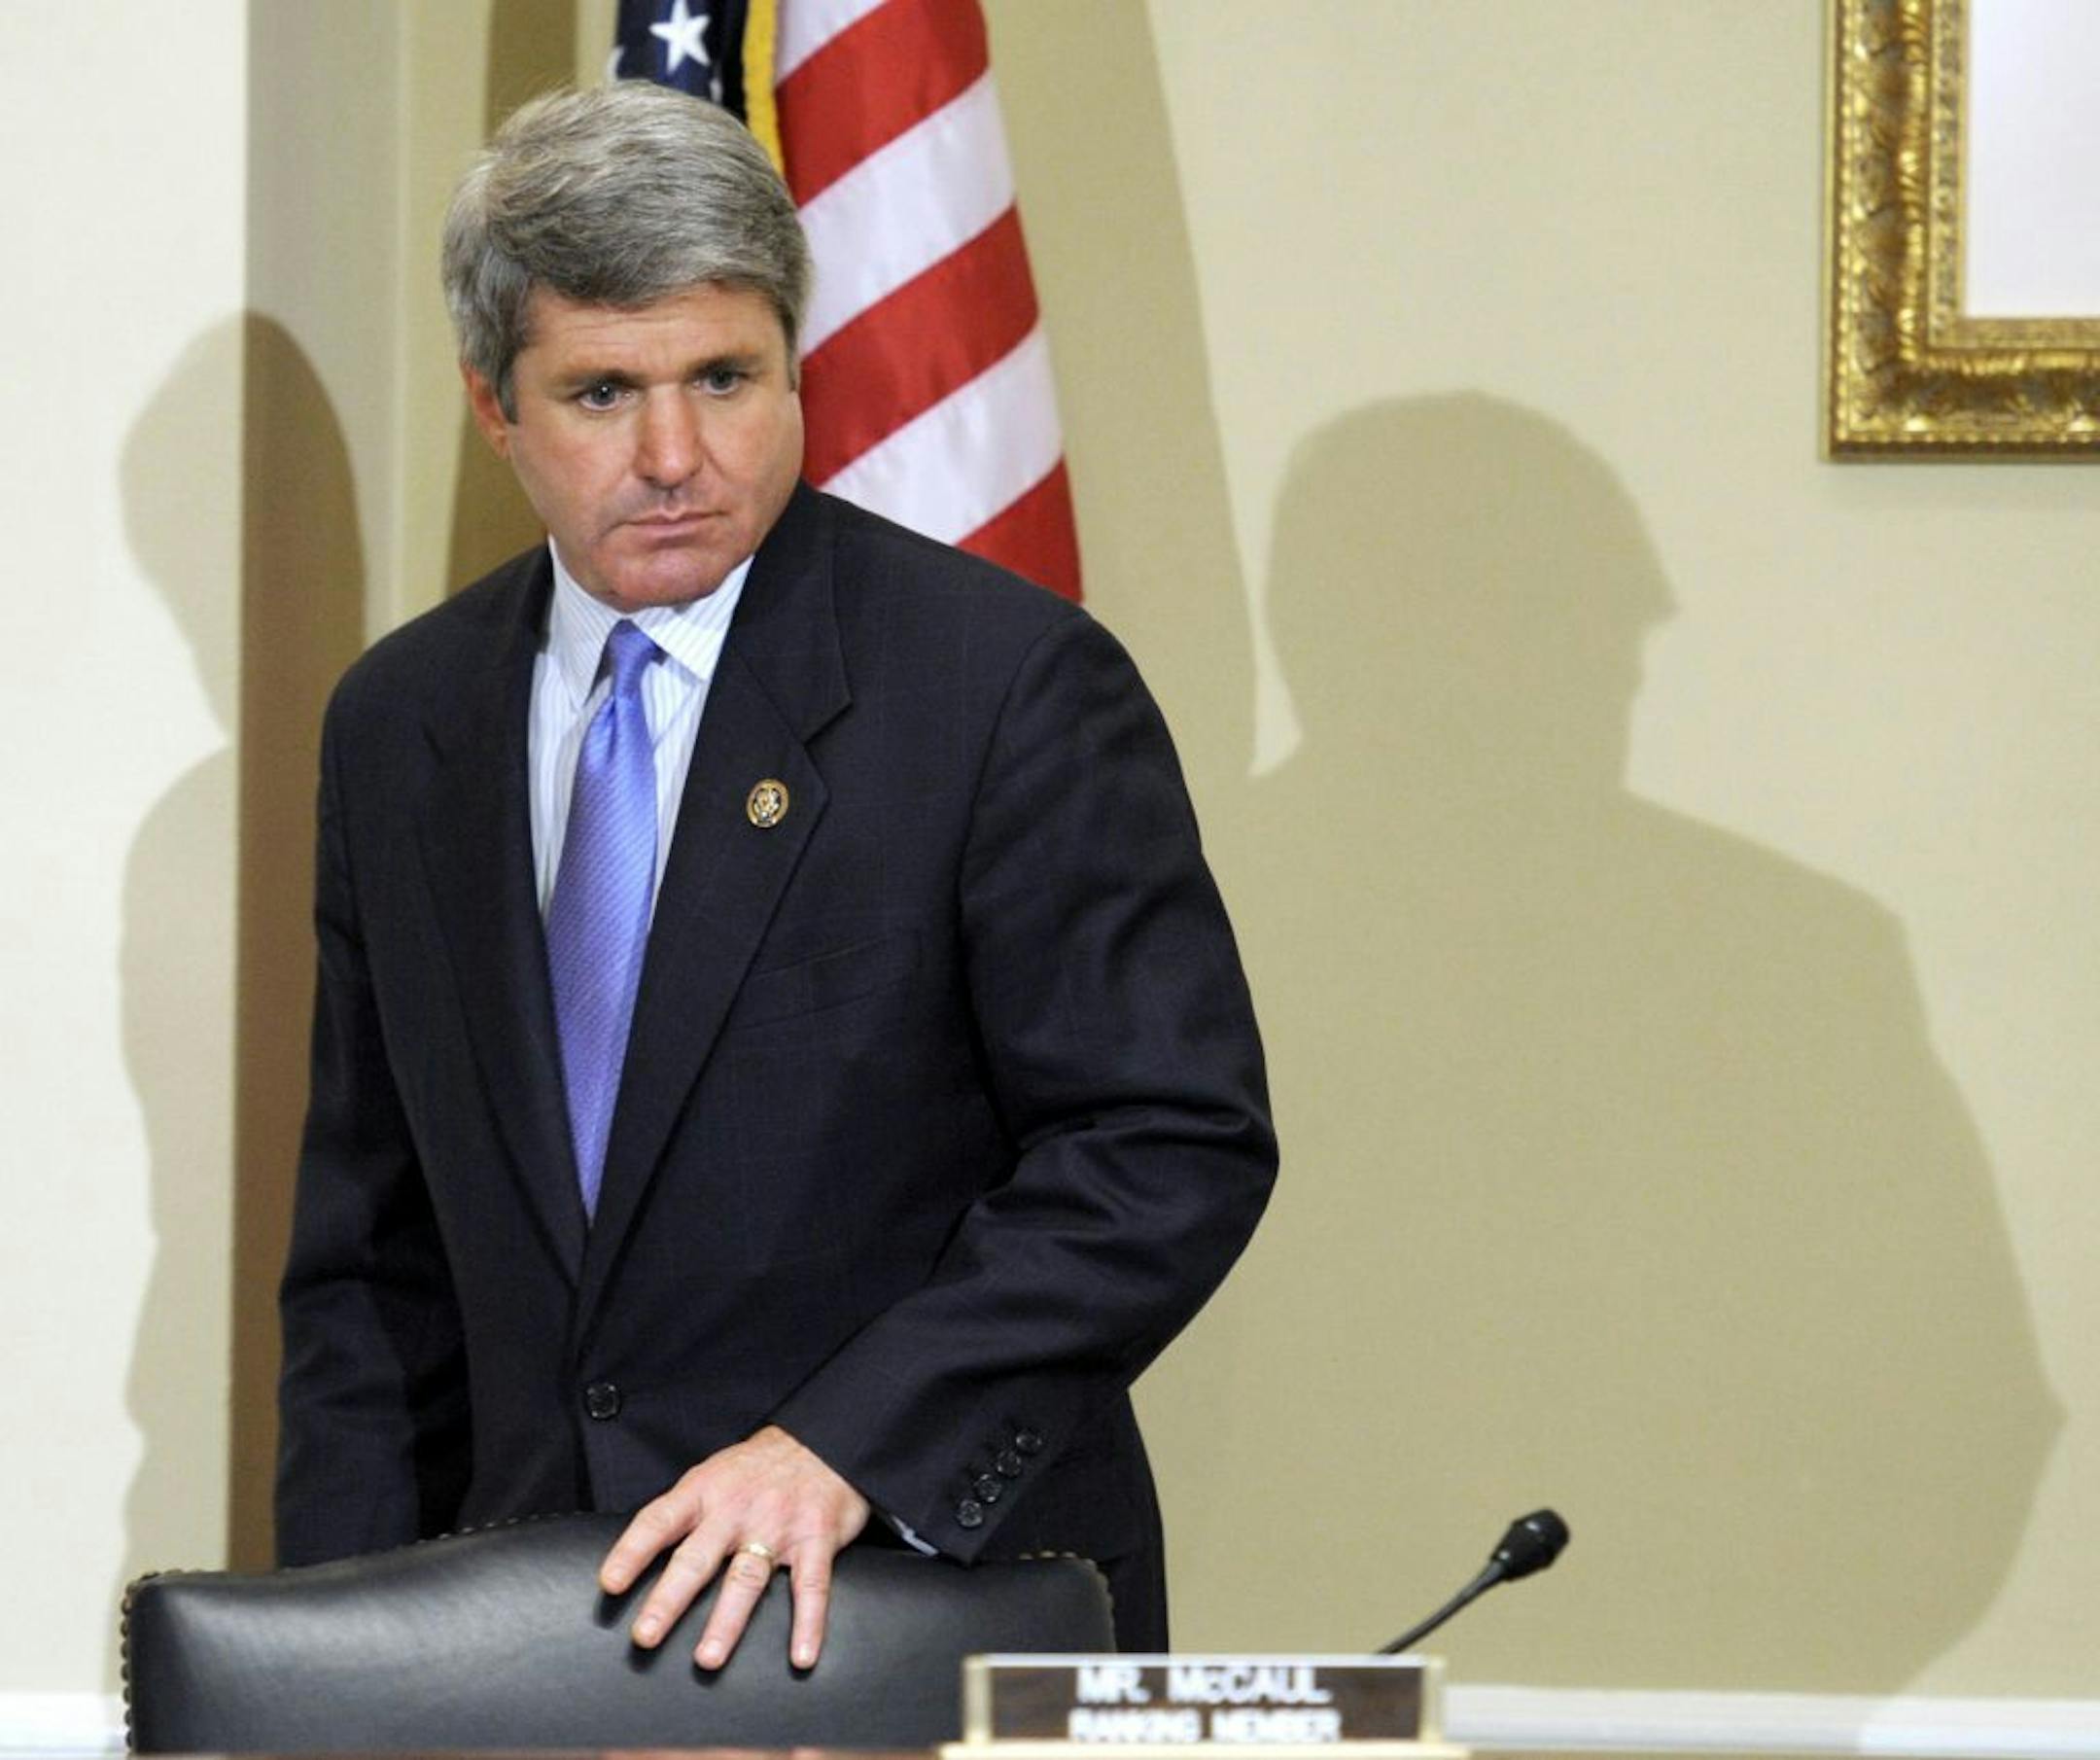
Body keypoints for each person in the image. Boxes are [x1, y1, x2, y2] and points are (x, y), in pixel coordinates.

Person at [273, 81, 1274, 1672]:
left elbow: (1165, 1144)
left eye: (725, 377)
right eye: (603, 392)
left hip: (904, 1608)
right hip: (523, 1633)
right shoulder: (404, 724)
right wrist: (323, 1657)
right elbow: (369, 1262)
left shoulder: (1001, 685)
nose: (675, 455)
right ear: (494, 404)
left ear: (791, 357)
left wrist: (846, 1445)